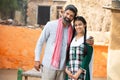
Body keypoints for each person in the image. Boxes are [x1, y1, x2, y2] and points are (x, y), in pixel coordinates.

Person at [34, 4, 78, 80]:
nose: (68, 17)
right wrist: (37, 59)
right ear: (63, 12)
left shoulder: (73, 31)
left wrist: (89, 40)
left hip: (63, 69)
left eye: (71, 16)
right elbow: (40, 42)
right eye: (67, 13)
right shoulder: (50, 25)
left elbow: (81, 38)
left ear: (73, 18)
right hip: (48, 66)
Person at [65, 16, 93, 80]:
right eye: (76, 25)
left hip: (82, 74)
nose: (78, 27)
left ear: (85, 25)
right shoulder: (72, 39)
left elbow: (87, 58)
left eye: (80, 24)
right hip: (70, 74)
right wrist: (67, 69)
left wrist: (78, 74)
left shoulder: (88, 39)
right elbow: (69, 57)